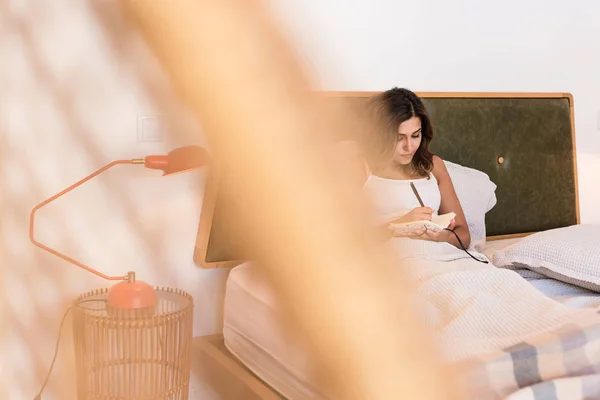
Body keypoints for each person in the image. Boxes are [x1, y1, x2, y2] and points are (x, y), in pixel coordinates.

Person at [356, 87, 470, 250]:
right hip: (399, 263)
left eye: (415, 135)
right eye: (399, 138)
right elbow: (345, 241)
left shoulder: (433, 166)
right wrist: (399, 226)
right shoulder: (363, 169)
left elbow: (464, 235)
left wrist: (443, 236)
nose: (409, 147)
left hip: (445, 256)